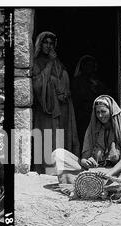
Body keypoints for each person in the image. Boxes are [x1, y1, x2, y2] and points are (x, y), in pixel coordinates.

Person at [52, 95, 121, 186]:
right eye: (97, 112)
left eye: (103, 111)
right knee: (58, 154)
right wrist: (86, 162)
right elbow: (83, 158)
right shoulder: (92, 129)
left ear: (111, 111)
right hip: (91, 172)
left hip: (114, 173)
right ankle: (92, 184)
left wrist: (108, 174)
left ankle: (89, 184)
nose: (100, 115)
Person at [32, 31, 80, 174]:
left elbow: (63, 80)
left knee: (60, 138)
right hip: (46, 110)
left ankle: (62, 169)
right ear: (40, 45)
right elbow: (38, 84)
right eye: (45, 42)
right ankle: (46, 169)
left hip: (62, 107)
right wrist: (50, 63)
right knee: (47, 138)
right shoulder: (37, 62)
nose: (48, 46)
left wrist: (65, 93)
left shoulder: (58, 63)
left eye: (51, 43)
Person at [71, 55, 109, 151]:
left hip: (97, 115)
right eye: (87, 65)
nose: (89, 68)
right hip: (83, 115)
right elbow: (77, 98)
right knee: (83, 136)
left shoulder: (96, 81)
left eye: (91, 65)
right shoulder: (77, 81)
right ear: (82, 67)